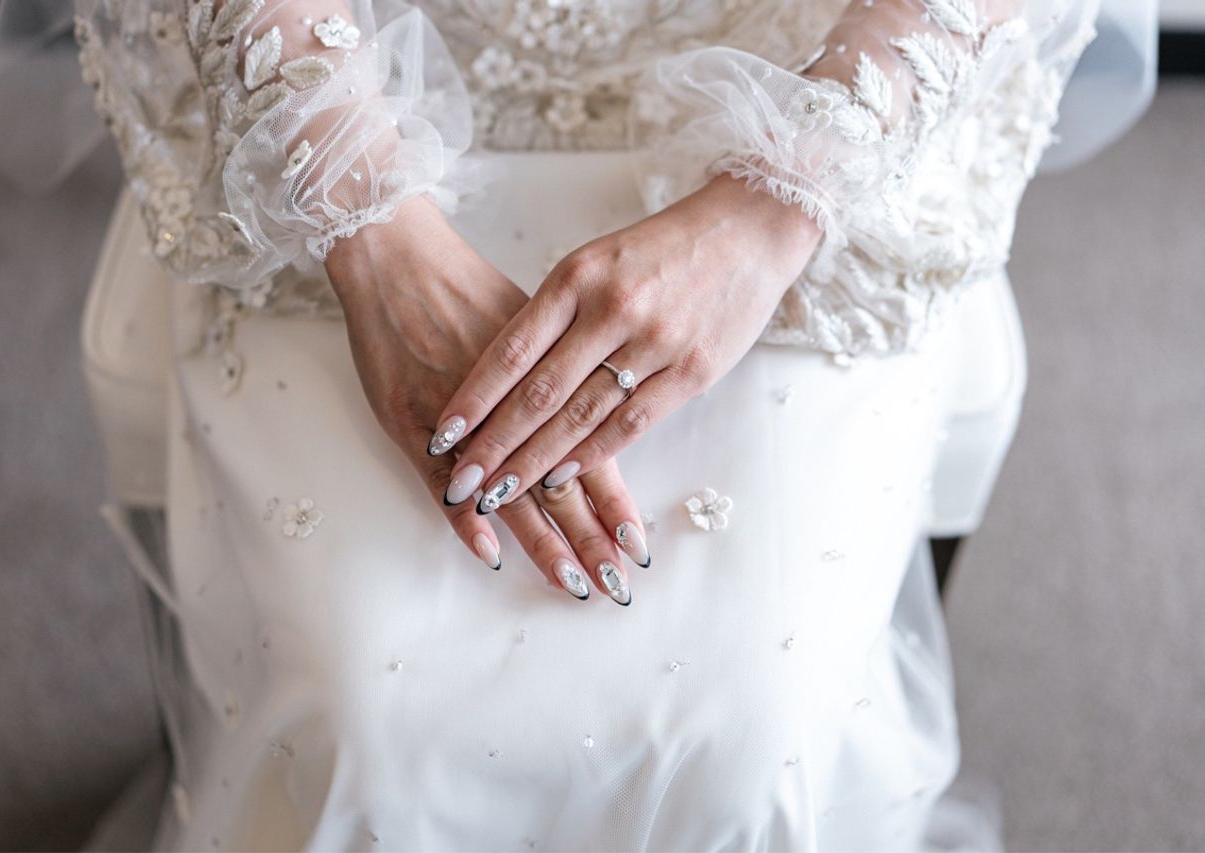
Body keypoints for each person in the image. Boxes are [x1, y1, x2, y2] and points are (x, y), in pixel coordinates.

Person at [59, 0, 1099, 847]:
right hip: (344, 92)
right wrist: (362, 218)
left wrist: (780, 198)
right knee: (364, 726)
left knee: (752, 734)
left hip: (800, 83)